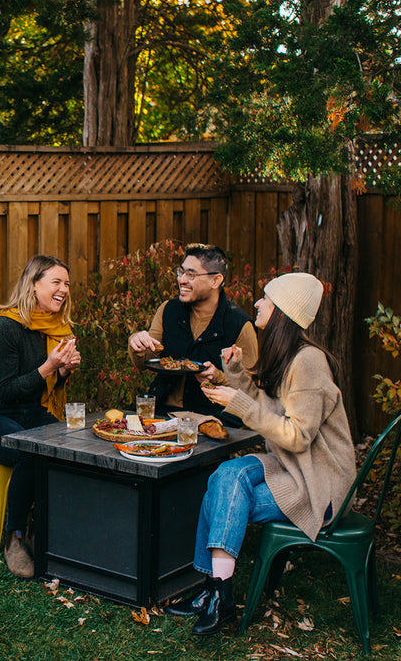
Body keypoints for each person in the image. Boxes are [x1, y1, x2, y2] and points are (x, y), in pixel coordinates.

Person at [164, 272, 356, 636]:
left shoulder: (309, 362)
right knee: (224, 476)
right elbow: (267, 404)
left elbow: (298, 436)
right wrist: (232, 374)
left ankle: (216, 596)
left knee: (229, 491)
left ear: (283, 311)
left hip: (321, 484)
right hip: (294, 468)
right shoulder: (289, 355)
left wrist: (237, 402)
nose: (257, 303)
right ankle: (216, 595)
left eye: (266, 299)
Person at [0, 254, 81, 579]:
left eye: (67, 284)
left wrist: (62, 371)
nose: (64, 290)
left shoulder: (56, 328)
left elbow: (42, 385)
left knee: (67, 445)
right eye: (56, 282)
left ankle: (44, 530)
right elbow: (5, 389)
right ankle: (15, 537)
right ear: (34, 285)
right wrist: (48, 366)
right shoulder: (6, 326)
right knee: (30, 451)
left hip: (30, 410)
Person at [127, 243, 258, 426]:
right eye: (180, 272)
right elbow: (144, 362)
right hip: (161, 411)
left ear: (216, 281)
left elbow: (251, 392)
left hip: (213, 418)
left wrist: (218, 377)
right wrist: (136, 342)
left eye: (191, 275)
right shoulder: (168, 310)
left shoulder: (239, 324)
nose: (181, 280)